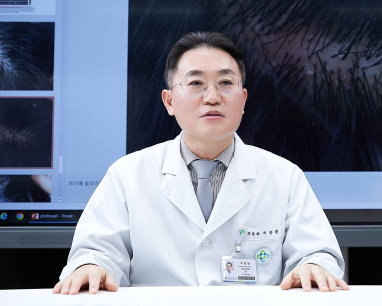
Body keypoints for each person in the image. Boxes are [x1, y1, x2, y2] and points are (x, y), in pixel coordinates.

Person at [53, 32, 348, 295]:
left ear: (243, 100)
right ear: (169, 101)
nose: (212, 97)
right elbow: (97, 252)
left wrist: (314, 266)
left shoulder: (284, 176)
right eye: (196, 83)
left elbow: (317, 253)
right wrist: (91, 266)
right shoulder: (127, 175)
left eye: (225, 83)